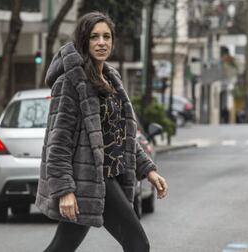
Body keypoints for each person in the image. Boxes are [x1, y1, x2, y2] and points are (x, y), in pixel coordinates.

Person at [35, 11, 168, 252]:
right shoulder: (70, 82)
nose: (101, 42)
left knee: (61, 247)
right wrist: (65, 190)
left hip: (107, 176)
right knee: (138, 244)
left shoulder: (111, 78)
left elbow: (122, 135)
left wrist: (148, 170)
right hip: (91, 179)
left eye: (107, 36)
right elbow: (58, 142)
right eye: (94, 37)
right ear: (84, 41)